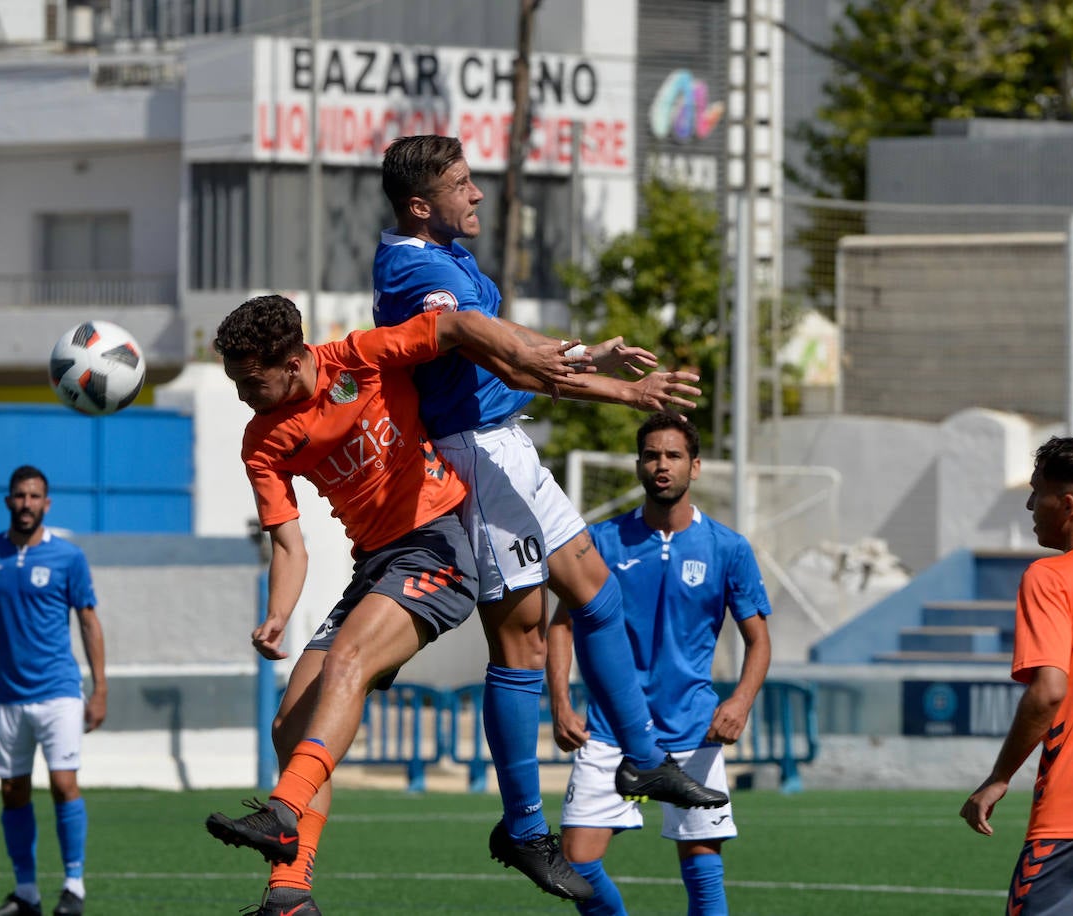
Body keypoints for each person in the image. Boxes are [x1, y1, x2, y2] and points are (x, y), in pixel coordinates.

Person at [203, 294, 696, 913]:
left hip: (437, 549)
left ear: (295, 361)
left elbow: (464, 328)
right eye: (236, 383)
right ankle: (290, 895)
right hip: (376, 567)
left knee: (350, 659)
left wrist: (588, 361)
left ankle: (283, 810)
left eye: (251, 382)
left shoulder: (360, 357)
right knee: (290, 727)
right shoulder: (261, 439)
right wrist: (278, 614)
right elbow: (288, 545)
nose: (243, 396)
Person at [372, 134, 729, 898]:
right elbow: (508, 360)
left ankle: (641, 758)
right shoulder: (417, 270)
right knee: (523, 640)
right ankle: (524, 826)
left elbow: (517, 346)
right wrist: (620, 388)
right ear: (420, 204)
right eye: (461, 185)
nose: (477, 194)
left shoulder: (448, 256)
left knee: (597, 591)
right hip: (472, 453)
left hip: (507, 443)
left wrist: (592, 357)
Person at [546, 413, 771, 916]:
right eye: (651, 456)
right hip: (611, 731)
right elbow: (561, 625)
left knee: (703, 875)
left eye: (673, 455)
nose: (661, 465)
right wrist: (560, 702)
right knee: (576, 864)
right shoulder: (601, 541)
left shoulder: (728, 548)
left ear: (695, 466)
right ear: (638, 466)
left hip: (693, 728)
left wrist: (740, 702)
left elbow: (758, 642)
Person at [960, 435, 1073, 915]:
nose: (1030, 505)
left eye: (1038, 493)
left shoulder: (1051, 577)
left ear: (1069, 505)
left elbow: (1048, 691)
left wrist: (998, 777)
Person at [0, 465, 107, 916]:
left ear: (46, 504)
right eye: (20, 495)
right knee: (12, 791)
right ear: (8, 501)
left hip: (59, 691)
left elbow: (89, 622)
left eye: (35, 496)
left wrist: (100, 688)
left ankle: (73, 886)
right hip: (7, 694)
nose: (26, 504)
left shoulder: (68, 557)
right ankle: (26, 893)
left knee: (63, 783)